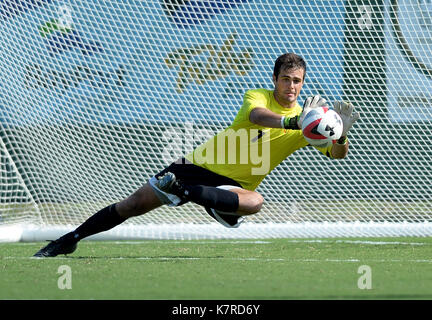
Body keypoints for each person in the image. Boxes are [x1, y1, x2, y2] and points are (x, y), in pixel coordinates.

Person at [33, 52, 359, 257]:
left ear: (304, 83)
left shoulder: (310, 122)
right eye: (286, 79)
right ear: (274, 79)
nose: (291, 86)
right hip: (197, 165)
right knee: (133, 205)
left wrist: (339, 133)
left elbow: (336, 154)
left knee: (256, 203)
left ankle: (195, 197)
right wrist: (294, 120)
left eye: (297, 81)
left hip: (235, 184)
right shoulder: (258, 96)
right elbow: (260, 117)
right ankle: (69, 239)